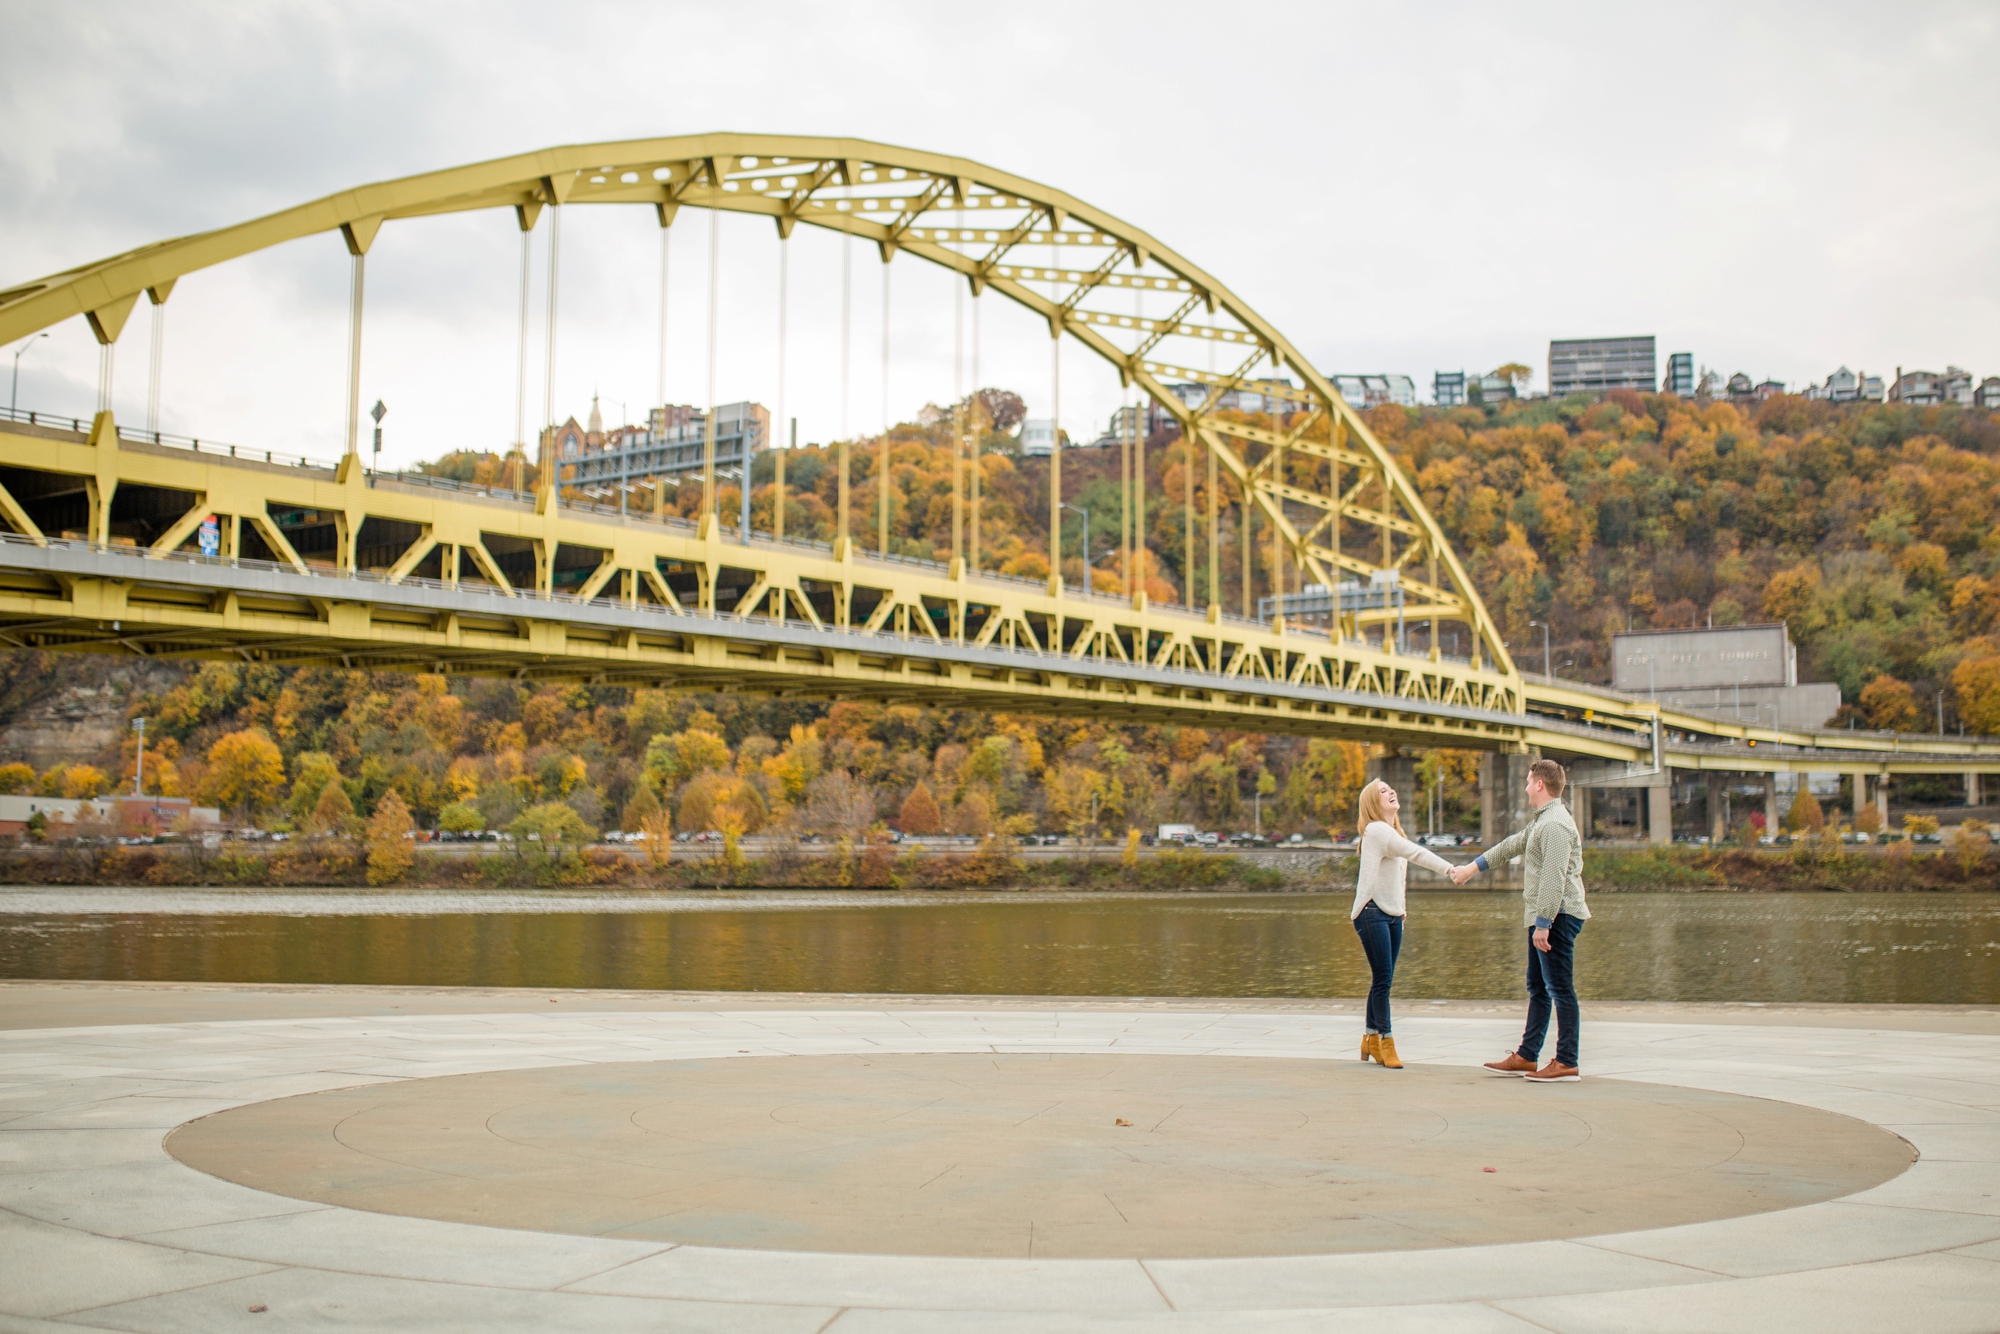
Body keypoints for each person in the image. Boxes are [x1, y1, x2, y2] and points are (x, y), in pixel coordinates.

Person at [1449, 758, 1590, 1082]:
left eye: (1528, 782)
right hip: (1545, 917)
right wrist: (1472, 868)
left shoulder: (1555, 824)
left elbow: (1554, 878)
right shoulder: (1543, 820)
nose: (1525, 787)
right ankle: (1527, 1056)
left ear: (1540, 785)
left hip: (1557, 917)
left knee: (1559, 989)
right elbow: (1512, 844)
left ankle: (1567, 1061)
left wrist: (1543, 924)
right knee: (1539, 987)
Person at [1350, 777, 1457, 1069]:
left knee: (1381, 979)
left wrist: (1402, 909)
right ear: (1373, 803)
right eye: (1383, 791)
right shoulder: (1376, 830)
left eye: (1390, 787)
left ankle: (1369, 1039)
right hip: (1371, 912)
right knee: (1384, 980)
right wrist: (1449, 869)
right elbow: (1417, 853)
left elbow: (1399, 876)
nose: (1391, 791)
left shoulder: (1394, 831)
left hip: (1392, 914)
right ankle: (1386, 1042)